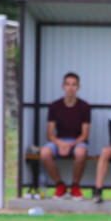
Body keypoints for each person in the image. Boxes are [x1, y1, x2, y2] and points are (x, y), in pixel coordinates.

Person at [39, 72, 91, 200]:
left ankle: (75, 186)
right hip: (59, 141)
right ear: (63, 86)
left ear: (78, 87)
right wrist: (60, 144)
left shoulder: (84, 107)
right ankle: (60, 185)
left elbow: (84, 135)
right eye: (68, 84)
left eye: (74, 84)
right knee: (45, 152)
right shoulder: (55, 106)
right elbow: (50, 134)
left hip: (77, 142)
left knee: (81, 152)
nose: (70, 87)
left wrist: (70, 145)